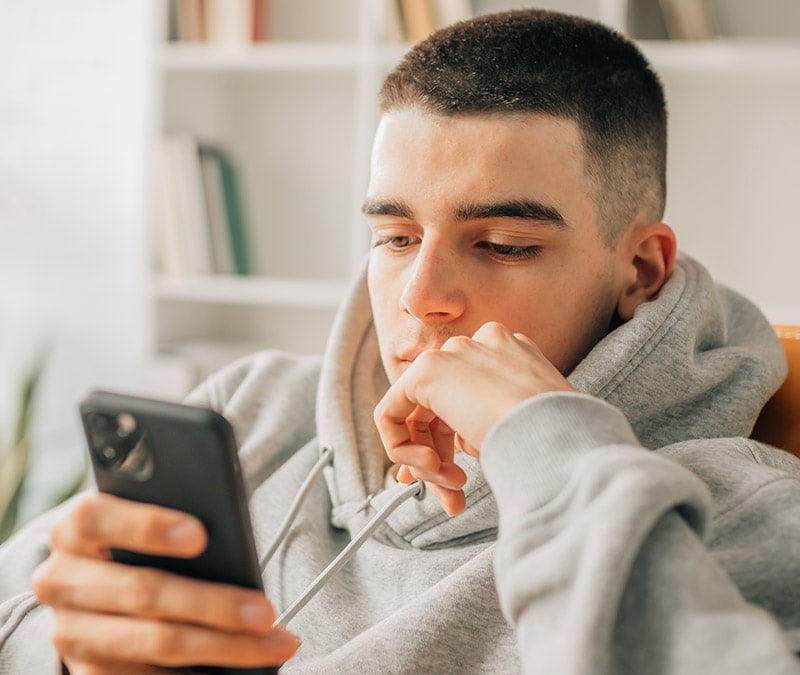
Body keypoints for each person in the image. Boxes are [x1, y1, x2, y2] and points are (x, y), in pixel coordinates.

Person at [2, 7, 800, 673]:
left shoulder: (743, 509)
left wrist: (543, 441)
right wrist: (75, 650)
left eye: (503, 244)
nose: (421, 297)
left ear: (641, 269)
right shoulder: (253, 407)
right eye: (395, 236)